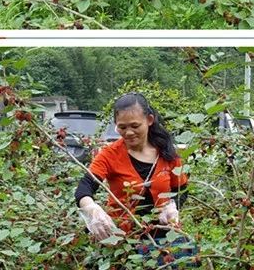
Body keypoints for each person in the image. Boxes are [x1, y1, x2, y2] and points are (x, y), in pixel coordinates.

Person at [75, 93, 198, 267]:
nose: (129, 132)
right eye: (122, 127)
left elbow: (182, 189)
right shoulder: (110, 155)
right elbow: (84, 188)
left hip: (165, 237)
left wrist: (172, 206)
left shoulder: (167, 153)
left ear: (149, 120)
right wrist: (91, 209)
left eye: (135, 125)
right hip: (124, 241)